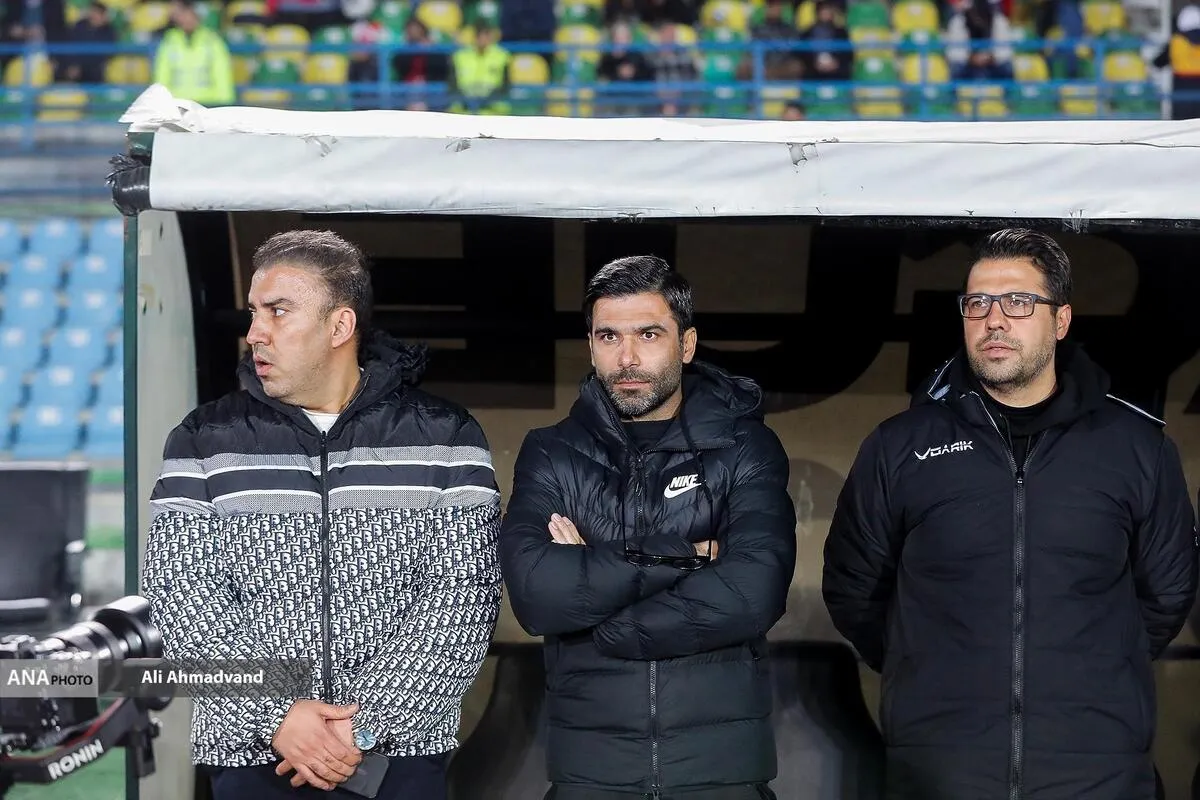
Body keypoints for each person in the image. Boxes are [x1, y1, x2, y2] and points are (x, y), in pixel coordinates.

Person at [822, 228, 1199, 800]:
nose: (994, 320)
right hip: (941, 768)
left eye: (1018, 302)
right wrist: (923, 666)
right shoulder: (899, 446)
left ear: (1061, 320)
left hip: (1096, 768)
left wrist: (1093, 671)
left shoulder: (1136, 448)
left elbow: (1166, 594)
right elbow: (855, 590)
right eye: (977, 303)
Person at [141, 230, 502, 800]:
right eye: (254, 312)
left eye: (278, 312)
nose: (254, 333)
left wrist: (362, 728)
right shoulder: (202, 438)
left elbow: (463, 596)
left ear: (340, 326)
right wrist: (278, 714)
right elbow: (180, 591)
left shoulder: (448, 437)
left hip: (397, 760)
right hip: (253, 756)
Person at [499, 255, 797, 799]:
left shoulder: (743, 446)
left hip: (720, 770)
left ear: (687, 344)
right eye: (608, 336)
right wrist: (693, 556)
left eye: (649, 334)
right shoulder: (551, 451)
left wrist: (604, 617)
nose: (628, 358)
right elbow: (539, 596)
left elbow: (755, 590)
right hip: (592, 771)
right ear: (591, 345)